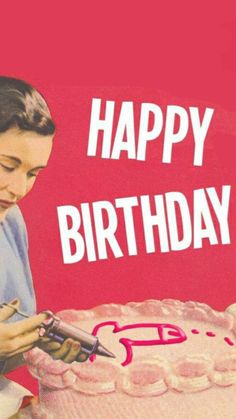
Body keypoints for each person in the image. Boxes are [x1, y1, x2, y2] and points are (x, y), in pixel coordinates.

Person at [0, 76, 85, 418]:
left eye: (32, 173)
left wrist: (36, 343)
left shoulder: (11, 220)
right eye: (6, 166)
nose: (17, 188)